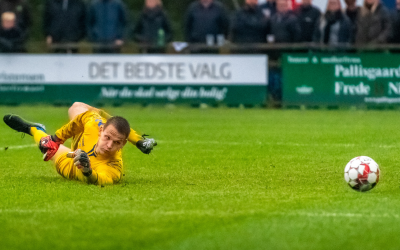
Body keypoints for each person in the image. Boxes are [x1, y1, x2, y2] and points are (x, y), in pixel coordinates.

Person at [3, 102, 157, 186]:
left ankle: (33, 129)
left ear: (123, 145)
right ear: (101, 130)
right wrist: (57, 138)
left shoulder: (114, 166)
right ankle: (48, 137)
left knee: (50, 151)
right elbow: (84, 117)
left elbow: (102, 180)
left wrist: (88, 171)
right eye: (107, 138)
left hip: (73, 166)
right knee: (77, 107)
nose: (109, 145)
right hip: (82, 139)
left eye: (116, 143)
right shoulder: (94, 124)